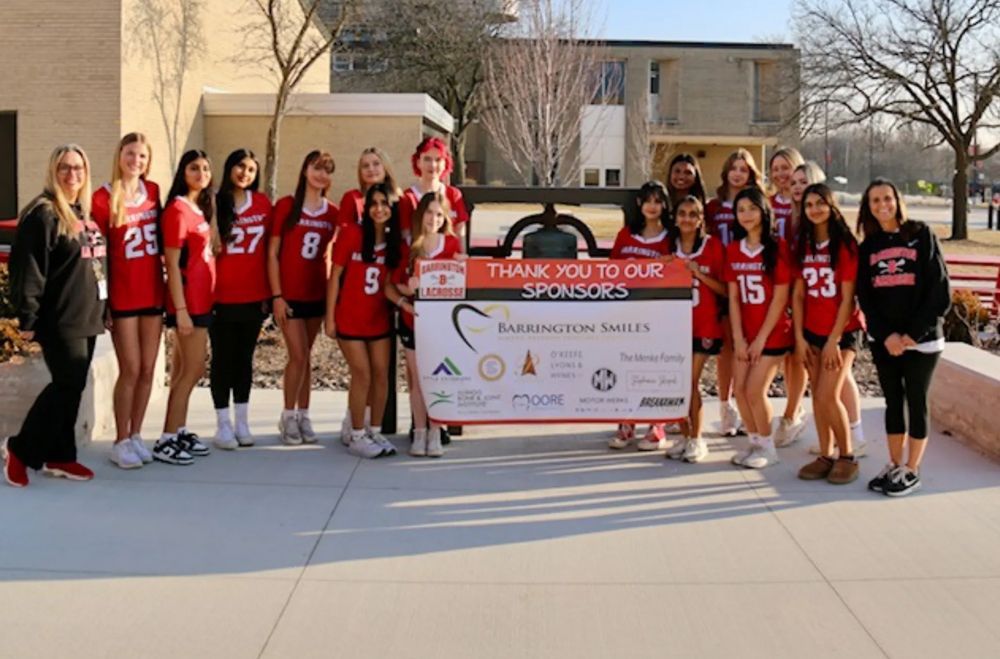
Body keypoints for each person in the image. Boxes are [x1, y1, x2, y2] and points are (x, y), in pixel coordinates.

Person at [3, 145, 105, 487]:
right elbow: (27, 270)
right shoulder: (43, 214)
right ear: (52, 171)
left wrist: (103, 310)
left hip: (87, 316)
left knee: (73, 389)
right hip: (59, 319)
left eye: (78, 168)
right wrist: (28, 319)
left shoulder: (83, 213)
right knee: (66, 385)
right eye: (64, 167)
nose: (72, 174)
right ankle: (20, 449)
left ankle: (61, 456)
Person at [856, 178, 950, 497]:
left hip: (921, 341)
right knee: (892, 402)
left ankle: (912, 468)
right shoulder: (868, 247)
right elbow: (866, 298)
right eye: (875, 201)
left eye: (887, 198)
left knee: (916, 401)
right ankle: (895, 464)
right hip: (885, 341)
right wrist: (887, 336)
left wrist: (911, 334)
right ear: (867, 208)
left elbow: (939, 292)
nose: (883, 205)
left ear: (897, 200)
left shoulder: (921, 234)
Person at [91, 133, 163, 469]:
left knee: (148, 369)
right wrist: (102, 301)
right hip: (123, 295)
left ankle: (136, 434)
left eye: (143, 156)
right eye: (131, 154)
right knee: (130, 369)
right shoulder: (103, 198)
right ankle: (119, 440)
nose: (136, 161)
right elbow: (97, 256)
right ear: (119, 155)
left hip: (152, 293)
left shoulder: (155, 193)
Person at [791, 163, 867, 457]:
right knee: (817, 397)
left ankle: (847, 453)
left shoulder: (845, 245)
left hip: (842, 332)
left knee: (826, 395)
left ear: (830, 205)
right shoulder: (802, 244)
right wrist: (798, 338)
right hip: (812, 330)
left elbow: (848, 299)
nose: (814, 209)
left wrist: (834, 339)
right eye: (808, 204)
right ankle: (826, 452)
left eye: (820, 203)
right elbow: (797, 296)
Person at [326, 182, 402, 459]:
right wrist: (329, 316)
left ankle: (374, 429)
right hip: (350, 318)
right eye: (374, 203)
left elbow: (392, 284)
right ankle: (356, 433)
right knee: (362, 374)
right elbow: (335, 276)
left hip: (378, 318)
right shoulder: (351, 234)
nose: (379, 209)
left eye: (385, 203)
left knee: (382, 375)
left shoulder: (394, 244)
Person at [268, 151, 338, 445]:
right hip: (290, 296)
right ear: (305, 169)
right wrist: (277, 295)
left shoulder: (332, 212)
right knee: (296, 356)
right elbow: (272, 253)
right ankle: (287, 415)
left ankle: (304, 415)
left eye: (327, 170)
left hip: (316, 294)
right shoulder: (287, 206)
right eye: (316, 167)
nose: (321, 174)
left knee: (306, 358)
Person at [385, 191, 462, 458]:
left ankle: (435, 430)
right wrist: (409, 288)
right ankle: (419, 431)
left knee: (439, 377)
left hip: (443, 325)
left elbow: (464, 284)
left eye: (439, 214)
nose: (434, 218)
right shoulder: (410, 247)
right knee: (417, 380)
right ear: (421, 215)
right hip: (413, 321)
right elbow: (395, 283)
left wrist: (463, 267)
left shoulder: (452, 245)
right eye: (429, 213)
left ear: (446, 217)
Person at [154, 150, 218, 465]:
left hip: (202, 300)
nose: (201, 173)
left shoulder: (198, 208)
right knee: (191, 370)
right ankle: (166, 438)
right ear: (183, 172)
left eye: (206, 168)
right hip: (189, 303)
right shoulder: (178, 210)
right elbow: (171, 262)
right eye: (194, 168)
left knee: (185, 371)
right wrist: (180, 310)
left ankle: (177, 430)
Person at [726, 187, 793, 470]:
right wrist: (740, 339)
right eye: (741, 210)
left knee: (754, 390)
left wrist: (760, 340)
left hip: (773, 333)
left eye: (752, 208)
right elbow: (733, 298)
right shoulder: (733, 249)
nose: (747, 215)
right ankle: (755, 442)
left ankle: (768, 446)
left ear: (764, 211)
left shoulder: (778, 249)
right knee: (739, 391)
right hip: (746, 334)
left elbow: (780, 299)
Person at [210, 149, 272, 449]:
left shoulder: (262, 204)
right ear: (229, 168)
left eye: (250, 169)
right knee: (222, 359)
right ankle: (222, 425)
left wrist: (270, 295)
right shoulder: (214, 201)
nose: (244, 173)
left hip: (253, 296)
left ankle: (242, 421)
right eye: (239, 166)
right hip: (219, 297)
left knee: (244, 360)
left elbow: (270, 253)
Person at [608, 181, 673, 451]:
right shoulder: (626, 235)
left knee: (654, 368)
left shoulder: (671, 237)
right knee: (625, 367)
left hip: (659, 313)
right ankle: (626, 423)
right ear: (639, 204)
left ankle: (656, 424)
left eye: (658, 201)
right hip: (628, 312)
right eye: (648, 200)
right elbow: (612, 271)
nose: (652, 206)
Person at [706, 149, 765, 437]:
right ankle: (725, 405)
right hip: (720, 278)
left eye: (744, 168)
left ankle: (746, 405)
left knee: (747, 343)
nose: (738, 173)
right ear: (726, 171)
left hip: (747, 276)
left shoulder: (754, 204)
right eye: (734, 167)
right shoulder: (715, 206)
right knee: (727, 349)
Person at [664, 196, 726, 463]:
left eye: (693, 214)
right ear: (676, 218)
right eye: (682, 213)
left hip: (704, 324)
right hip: (676, 326)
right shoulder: (670, 248)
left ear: (701, 219)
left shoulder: (712, 247)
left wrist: (699, 273)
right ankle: (686, 436)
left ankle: (698, 438)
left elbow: (725, 288)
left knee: (690, 382)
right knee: (678, 383)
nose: (687, 219)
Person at [400, 137, 469, 248]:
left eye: (438, 160)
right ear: (418, 162)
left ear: (445, 163)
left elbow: (460, 232)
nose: (432, 165)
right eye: (427, 159)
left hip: (449, 261)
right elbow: (405, 236)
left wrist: (462, 259)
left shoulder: (454, 195)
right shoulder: (407, 198)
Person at [337, 147, 401, 227]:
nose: (371, 169)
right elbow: (342, 232)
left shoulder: (399, 198)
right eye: (365, 166)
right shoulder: (352, 198)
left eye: (376, 164)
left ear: (385, 168)